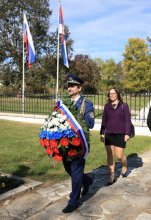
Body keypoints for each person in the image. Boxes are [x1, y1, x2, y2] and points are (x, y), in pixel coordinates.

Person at [62, 74, 95, 213]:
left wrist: (78, 120)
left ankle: (74, 201)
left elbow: (91, 123)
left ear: (79, 88)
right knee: (68, 168)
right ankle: (86, 180)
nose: (69, 88)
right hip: (65, 142)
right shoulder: (64, 103)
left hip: (79, 144)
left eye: (72, 86)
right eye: (68, 86)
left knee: (75, 172)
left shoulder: (86, 103)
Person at [100, 87, 131, 186]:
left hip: (120, 133)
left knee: (119, 155)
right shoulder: (107, 106)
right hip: (109, 134)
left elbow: (128, 120)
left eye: (113, 93)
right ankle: (112, 176)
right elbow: (104, 120)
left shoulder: (124, 105)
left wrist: (127, 133)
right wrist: (102, 132)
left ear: (117, 94)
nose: (112, 95)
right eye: (110, 94)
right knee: (110, 154)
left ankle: (125, 165)